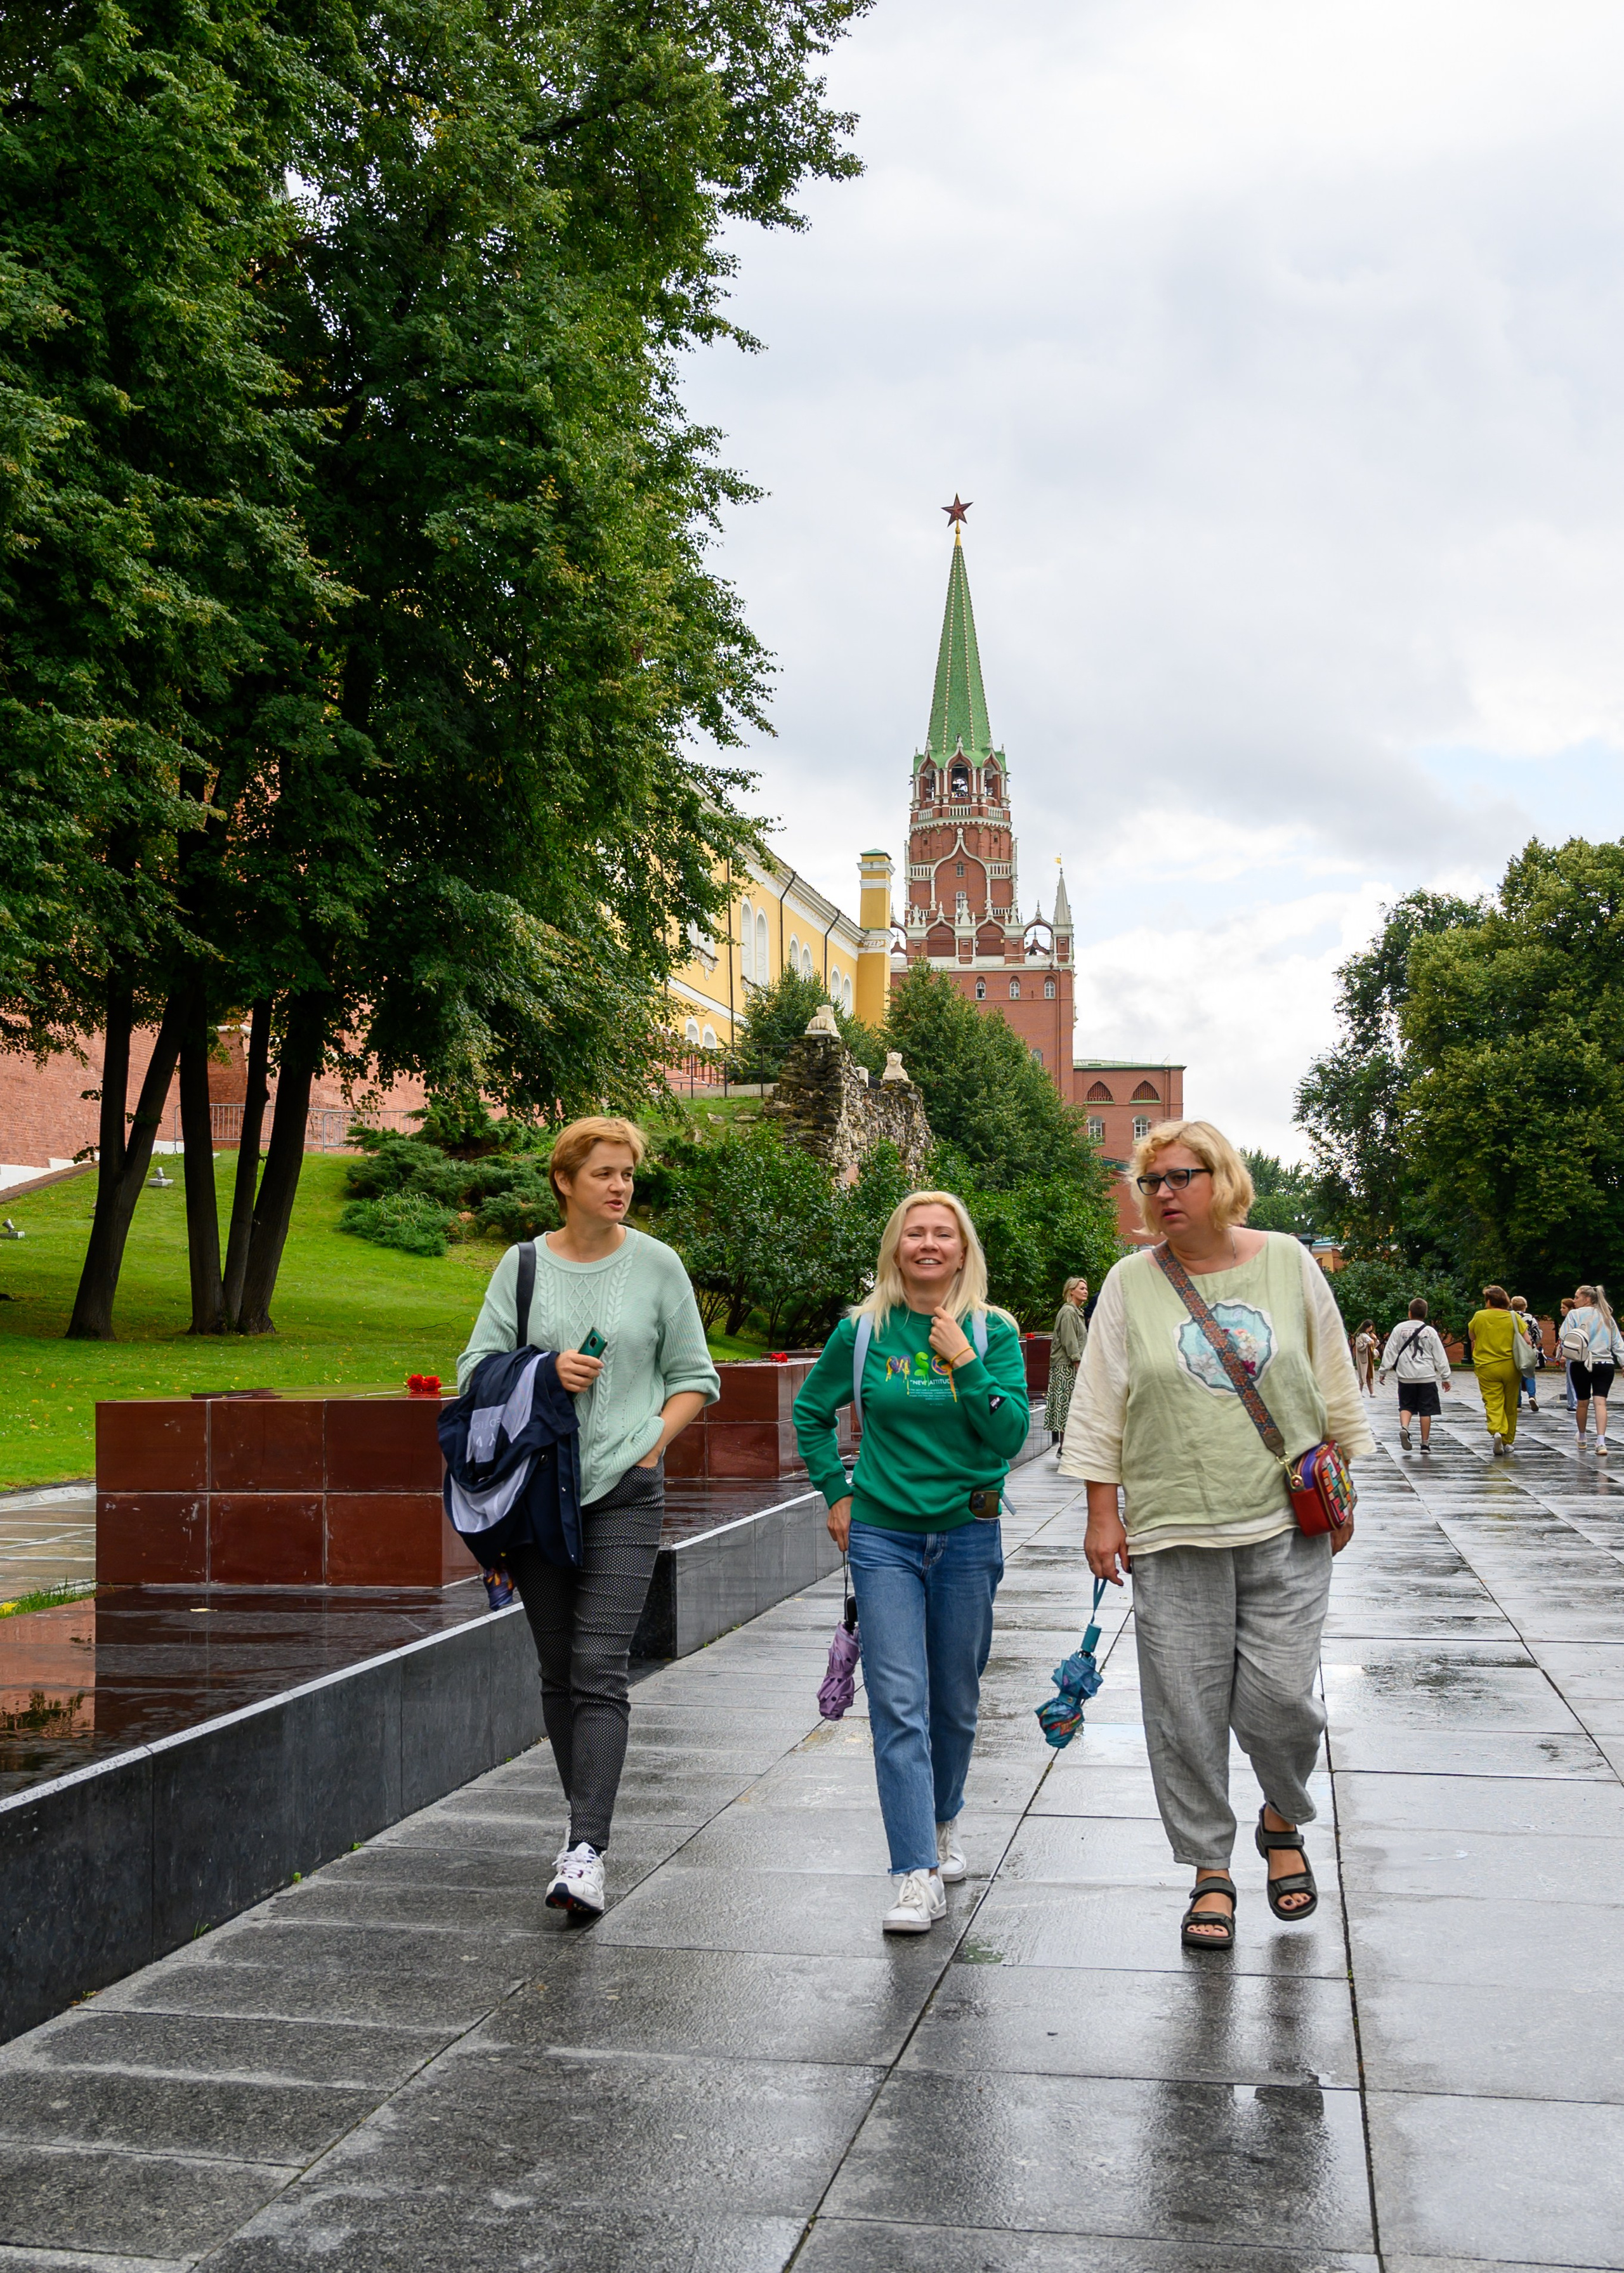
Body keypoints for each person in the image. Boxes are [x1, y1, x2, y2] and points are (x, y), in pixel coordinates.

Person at [1062, 1120, 1372, 1952]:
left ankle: (1280, 1815)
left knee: (1280, 1698)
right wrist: (1102, 1511)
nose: (1161, 1191)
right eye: (1149, 1179)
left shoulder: (1287, 1261)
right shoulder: (1131, 1283)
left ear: (1223, 1179)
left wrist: (1346, 1484)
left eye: (1179, 1176)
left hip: (1285, 1519)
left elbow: (1333, 1373)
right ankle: (1210, 1868)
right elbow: (1098, 1401)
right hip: (1172, 1525)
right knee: (1185, 1713)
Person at [457, 1115, 719, 1916]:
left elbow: (696, 1375)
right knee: (558, 1668)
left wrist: (651, 1445)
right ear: (565, 1181)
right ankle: (584, 1832)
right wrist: (544, 1369)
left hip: (624, 1493)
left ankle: (585, 1848)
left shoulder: (659, 1265)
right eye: (603, 1172)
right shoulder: (522, 1265)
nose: (619, 1186)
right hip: (540, 1495)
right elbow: (473, 1370)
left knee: (600, 1667)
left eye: (627, 1174)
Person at [793, 1191, 1030, 1935]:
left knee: (954, 1702)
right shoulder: (863, 1332)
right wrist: (837, 1489)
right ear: (897, 1247)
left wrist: (963, 1362)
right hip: (882, 1537)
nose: (928, 1244)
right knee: (897, 1704)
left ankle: (945, 1819)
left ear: (962, 1251)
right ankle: (912, 1871)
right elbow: (810, 1411)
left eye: (943, 1234)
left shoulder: (992, 1331)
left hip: (965, 1536)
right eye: (914, 1233)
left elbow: (1009, 1439)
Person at [1378, 1298, 1452, 1450]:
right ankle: (1425, 1444)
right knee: (1426, 1410)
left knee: (1406, 1405)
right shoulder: (1430, 1331)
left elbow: (1390, 1351)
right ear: (1425, 1314)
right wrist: (1445, 1376)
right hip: (1426, 1376)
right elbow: (1440, 1355)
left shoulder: (1399, 1329)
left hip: (1406, 1376)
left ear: (1409, 1312)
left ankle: (1405, 1428)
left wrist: (1383, 1370)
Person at [1562, 1283, 1624, 1455]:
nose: (1574, 1301)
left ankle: (1582, 1437)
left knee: (1582, 1403)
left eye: (1576, 1297)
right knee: (1601, 1403)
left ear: (1587, 1299)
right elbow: (1617, 1343)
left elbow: (1564, 1335)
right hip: (1605, 1364)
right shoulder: (1607, 1316)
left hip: (1581, 1363)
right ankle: (1601, 1442)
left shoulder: (1574, 1315)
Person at [1466, 1285, 1522, 1457]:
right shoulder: (1514, 1316)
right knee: (1510, 1404)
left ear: (1489, 1301)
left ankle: (1497, 1430)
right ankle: (1508, 1441)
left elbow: (1471, 1336)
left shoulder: (1480, 1316)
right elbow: (1527, 1340)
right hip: (1511, 1366)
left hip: (1487, 1366)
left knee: (1493, 1402)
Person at [1045, 1276, 1090, 1448]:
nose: (1085, 1291)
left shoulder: (1077, 1312)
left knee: (1072, 1406)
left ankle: (1069, 1447)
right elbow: (1069, 1339)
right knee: (1066, 1407)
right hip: (1066, 1367)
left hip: (1073, 1365)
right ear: (1071, 1291)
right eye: (1081, 1288)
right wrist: (1077, 1360)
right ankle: (1065, 1449)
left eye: (1086, 1288)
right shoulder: (1068, 1312)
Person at [1510, 1296, 1542, 1413]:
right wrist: (1534, 1343)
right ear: (1525, 1306)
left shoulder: (1509, 1317)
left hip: (1514, 1350)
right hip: (1528, 1349)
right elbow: (1537, 1334)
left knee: (1516, 1376)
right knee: (1529, 1373)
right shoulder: (1530, 1318)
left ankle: (1518, 1404)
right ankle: (1532, 1396)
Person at [1352, 1320, 1379, 1398]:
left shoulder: (1368, 1335)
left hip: (1370, 1357)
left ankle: (1372, 1392)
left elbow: (1375, 1345)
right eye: (1370, 1328)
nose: (1371, 1329)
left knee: (1370, 1375)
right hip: (1363, 1358)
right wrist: (1368, 1344)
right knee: (1363, 1375)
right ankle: (1359, 1392)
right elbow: (1359, 1347)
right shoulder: (1360, 1336)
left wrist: (1375, 1339)